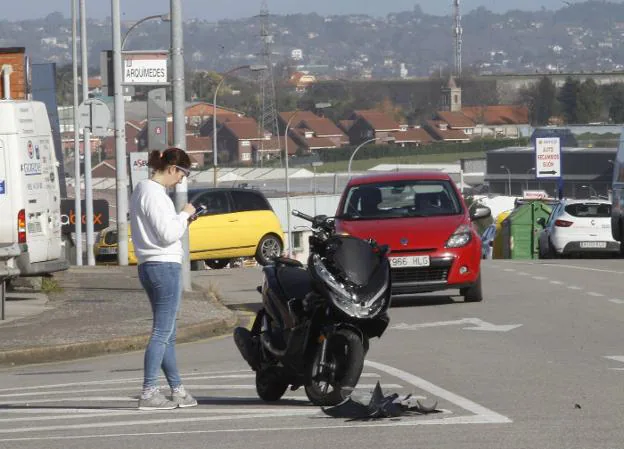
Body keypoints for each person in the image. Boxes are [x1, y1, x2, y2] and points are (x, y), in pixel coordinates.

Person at [130, 147, 198, 411]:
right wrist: (184, 214)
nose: (182, 180)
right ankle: (148, 392)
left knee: (167, 332)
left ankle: (177, 390)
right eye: (183, 174)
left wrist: (183, 220)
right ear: (172, 168)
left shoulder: (141, 190)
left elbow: (161, 230)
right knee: (161, 332)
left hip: (150, 264)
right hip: (164, 266)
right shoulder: (155, 194)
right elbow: (167, 234)